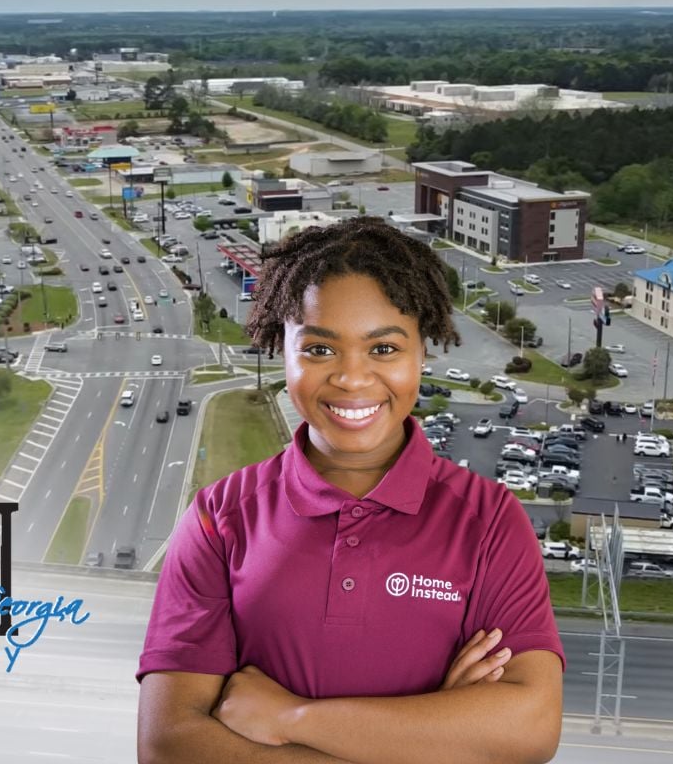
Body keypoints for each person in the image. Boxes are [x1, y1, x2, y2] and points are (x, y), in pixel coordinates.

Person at [137, 218, 564, 763]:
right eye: (319, 350)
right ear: (281, 351)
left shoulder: (489, 521)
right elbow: (169, 746)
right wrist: (437, 738)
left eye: (383, 349)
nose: (352, 378)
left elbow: (529, 729)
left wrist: (289, 718)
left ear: (421, 355)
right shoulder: (221, 517)